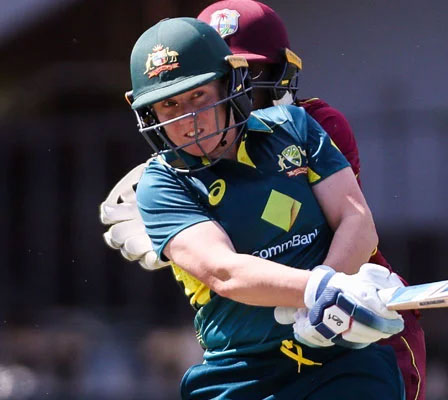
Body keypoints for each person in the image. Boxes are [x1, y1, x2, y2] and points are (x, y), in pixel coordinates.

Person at [101, 1, 426, 399]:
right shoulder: (163, 181)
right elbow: (224, 270)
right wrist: (314, 292)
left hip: (350, 332)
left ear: (230, 82)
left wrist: (323, 296)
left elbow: (354, 220)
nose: (188, 118)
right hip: (242, 366)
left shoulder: (307, 124)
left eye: (199, 94)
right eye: (169, 103)